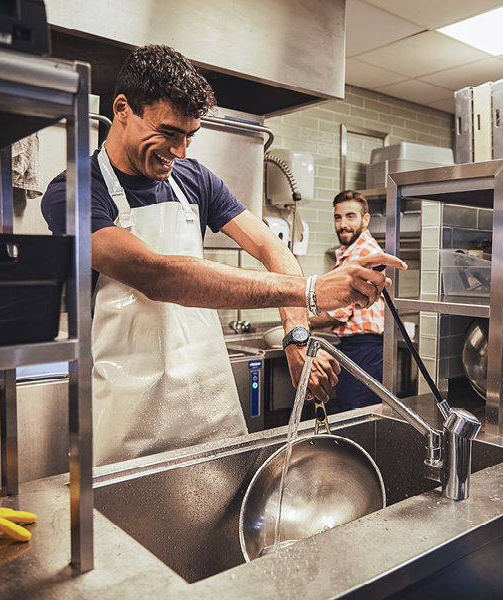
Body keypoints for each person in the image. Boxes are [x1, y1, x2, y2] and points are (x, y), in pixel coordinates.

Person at [41, 45, 405, 466]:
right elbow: (155, 274)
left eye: (189, 136)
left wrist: (297, 334)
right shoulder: (74, 191)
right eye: (169, 132)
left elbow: (271, 247)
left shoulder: (195, 179)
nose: (180, 151)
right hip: (128, 421)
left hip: (209, 409)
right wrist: (311, 291)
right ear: (123, 109)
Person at [309, 190, 386, 412]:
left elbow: (338, 312)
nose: (343, 224)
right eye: (338, 217)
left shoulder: (362, 253)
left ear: (365, 219)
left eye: (350, 216)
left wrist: (305, 323)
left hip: (364, 348)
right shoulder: (350, 252)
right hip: (358, 347)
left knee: (355, 413)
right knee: (356, 411)